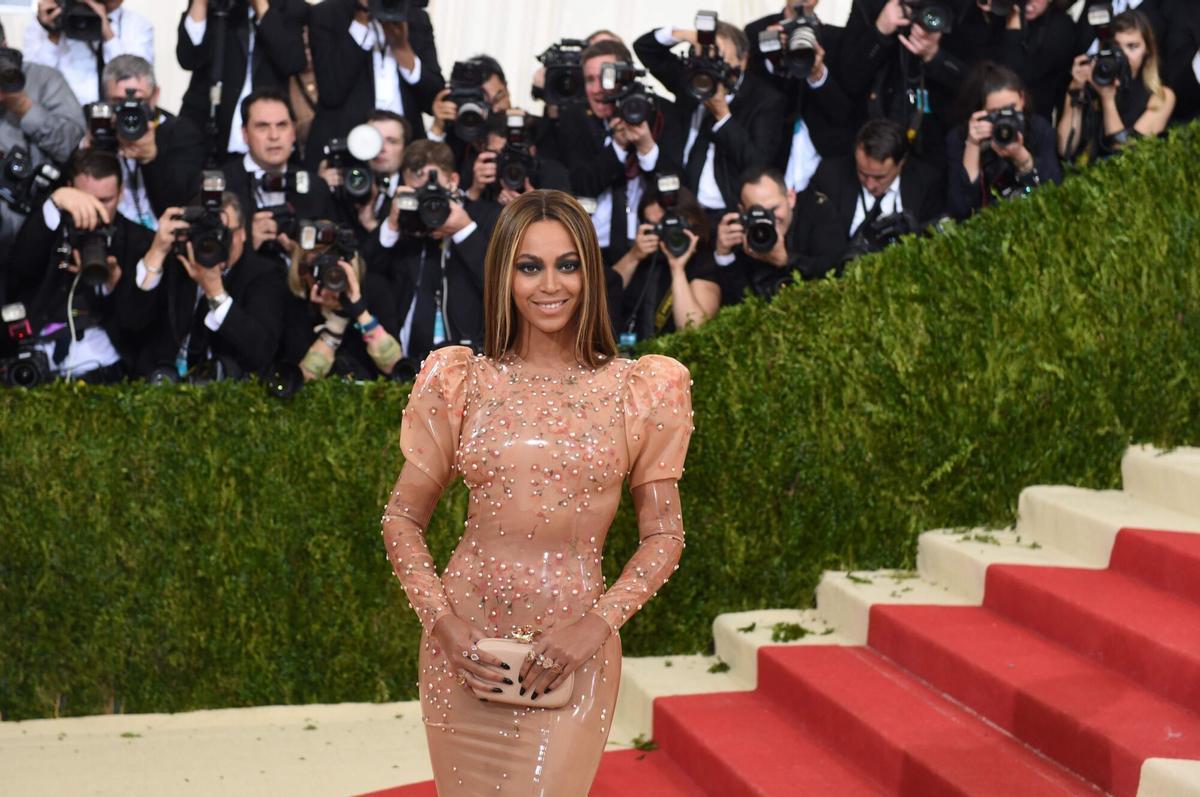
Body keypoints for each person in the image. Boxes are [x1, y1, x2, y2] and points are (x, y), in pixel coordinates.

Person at [380, 188, 692, 796]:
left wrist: (595, 627)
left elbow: (664, 536)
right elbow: (401, 517)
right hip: (463, 656)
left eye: (567, 264)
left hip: (573, 658)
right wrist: (442, 622)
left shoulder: (640, 388)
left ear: (590, 272)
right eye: (530, 266)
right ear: (504, 275)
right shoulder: (461, 380)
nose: (551, 285)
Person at [5, 148, 154, 382]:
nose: (94, 209)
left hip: (107, 368)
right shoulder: (49, 225)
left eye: (105, 200)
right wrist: (54, 203)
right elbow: (19, 271)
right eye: (85, 199)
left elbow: (139, 326)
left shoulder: (139, 242)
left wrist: (112, 283)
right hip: (34, 362)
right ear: (69, 189)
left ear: (121, 193)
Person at [634, 18, 785, 215]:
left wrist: (723, 115)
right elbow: (645, 48)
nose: (711, 66)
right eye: (706, 56)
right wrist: (685, 35)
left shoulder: (764, 99)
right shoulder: (692, 79)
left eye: (719, 57)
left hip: (730, 210)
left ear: (743, 60)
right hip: (681, 206)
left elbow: (758, 164)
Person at [368, 139, 499, 361]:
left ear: (453, 181)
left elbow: (497, 284)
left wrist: (464, 230)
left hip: (470, 359)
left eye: (433, 190)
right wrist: (392, 225)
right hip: (405, 361)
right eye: (417, 193)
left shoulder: (485, 217)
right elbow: (371, 272)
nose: (426, 200)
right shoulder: (404, 223)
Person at [553, 39, 681, 264]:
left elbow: (678, 185)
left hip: (653, 246)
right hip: (592, 248)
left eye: (606, 78)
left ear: (627, 77)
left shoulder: (660, 112)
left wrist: (647, 147)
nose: (597, 89)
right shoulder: (575, 118)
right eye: (589, 80)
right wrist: (618, 147)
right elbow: (581, 184)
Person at [134, 192, 287, 379]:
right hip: (158, 379)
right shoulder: (177, 260)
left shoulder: (265, 275)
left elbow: (262, 351)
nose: (216, 242)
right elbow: (132, 322)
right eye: (206, 233)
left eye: (224, 234)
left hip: (221, 385)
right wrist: (157, 251)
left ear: (243, 233)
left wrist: (215, 292)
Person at [305, 0, 444, 169]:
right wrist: (361, 21)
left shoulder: (416, 18)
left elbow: (434, 100)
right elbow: (331, 92)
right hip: (346, 153)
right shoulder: (328, 14)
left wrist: (403, 50)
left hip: (404, 158)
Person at [836, 0, 969, 174]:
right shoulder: (870, 5)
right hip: (872, 141)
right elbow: (849, 80)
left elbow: (977, 85)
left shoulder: (958, 8)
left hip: (934, 147)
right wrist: (880, 32)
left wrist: (935, 56)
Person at [176, 0, 310, 157]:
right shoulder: (215, 5)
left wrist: (261, 7)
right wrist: (200, 3)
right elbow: (188, 58)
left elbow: (291, 62)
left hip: (265, 139)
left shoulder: (292, 8)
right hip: (206, 130)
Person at [0, 22, 85, 264]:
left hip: (35, 225)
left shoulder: (44, 79)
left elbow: (72, 145)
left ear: (4, 46)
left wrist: (23, 106)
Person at [220, 88, 336, 262]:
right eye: (262, 126)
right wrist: (245, 241)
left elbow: (332, 255)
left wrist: (303, 256)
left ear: (293, 132)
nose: (274, 136)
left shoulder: (315, 187)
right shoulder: (220, 185)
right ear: (245, 134)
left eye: (282, 125)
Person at [807, 118, 945, 262]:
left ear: (901, 164)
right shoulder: (829, 177)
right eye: (863, 174)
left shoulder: (925, 182)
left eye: (880, 177)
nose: (870, 185)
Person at [278, 226, 403, 380]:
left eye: (334, 266)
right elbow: (305, 378)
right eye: (318, 267)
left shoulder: (375, 289)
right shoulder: (296, 304)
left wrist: (359, 310)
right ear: (303, 272)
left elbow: (394, 367)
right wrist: (337, 321)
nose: (330, 276)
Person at [97, 55, 206, 229]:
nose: (129, 112)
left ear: (155, 95)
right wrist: (94, 144)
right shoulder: (99, 130)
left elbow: (181, 205)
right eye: (118, 102)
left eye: (138, 101)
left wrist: (150, 158)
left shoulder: (180, 133)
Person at [946, 62, 1061, 219]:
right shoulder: (959, 139)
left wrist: (1022, 159)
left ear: (1022, 99)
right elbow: (961, 210)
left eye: (1012, 109)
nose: (1006, 118)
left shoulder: (1037, 129)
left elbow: (1053, 194)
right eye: (995, 113)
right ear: (979, 112)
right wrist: (972, 146)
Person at [1058, 10, 1176, 163]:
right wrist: (1076, 88)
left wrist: (1107, 100)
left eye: (1132, 46)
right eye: (1116, 46)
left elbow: (1129, 157)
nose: (1123, 55)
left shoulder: (1161, 97)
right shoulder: (1089, 84)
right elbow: (1064, 148)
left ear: (1147, 50)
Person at [713, 165, 844, 302]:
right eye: (758, 212)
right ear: (743, 211)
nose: (768, 219)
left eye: (773, 209)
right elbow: (738, 302)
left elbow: (835, 270)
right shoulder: (742, 230)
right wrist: (724, 255)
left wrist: (786, 260)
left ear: (791, 198)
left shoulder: (817, 212)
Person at [612, 184, 720, 344]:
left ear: (690, 220)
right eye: (654, 226)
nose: (664, 233)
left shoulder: (702, 260)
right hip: (630, 351)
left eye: (668, 224)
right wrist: (634, 256)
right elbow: (599, 298)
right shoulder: (640, 254)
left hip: (675, 355)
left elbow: (693, 330)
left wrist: (677, 268)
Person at [26, 0, 153, 106]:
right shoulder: (43, 23)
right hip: (60, 118)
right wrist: (53, 34)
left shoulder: (138, 25)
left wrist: (108, 34)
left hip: (115, 117)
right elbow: (33, 85)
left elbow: (135, 81)